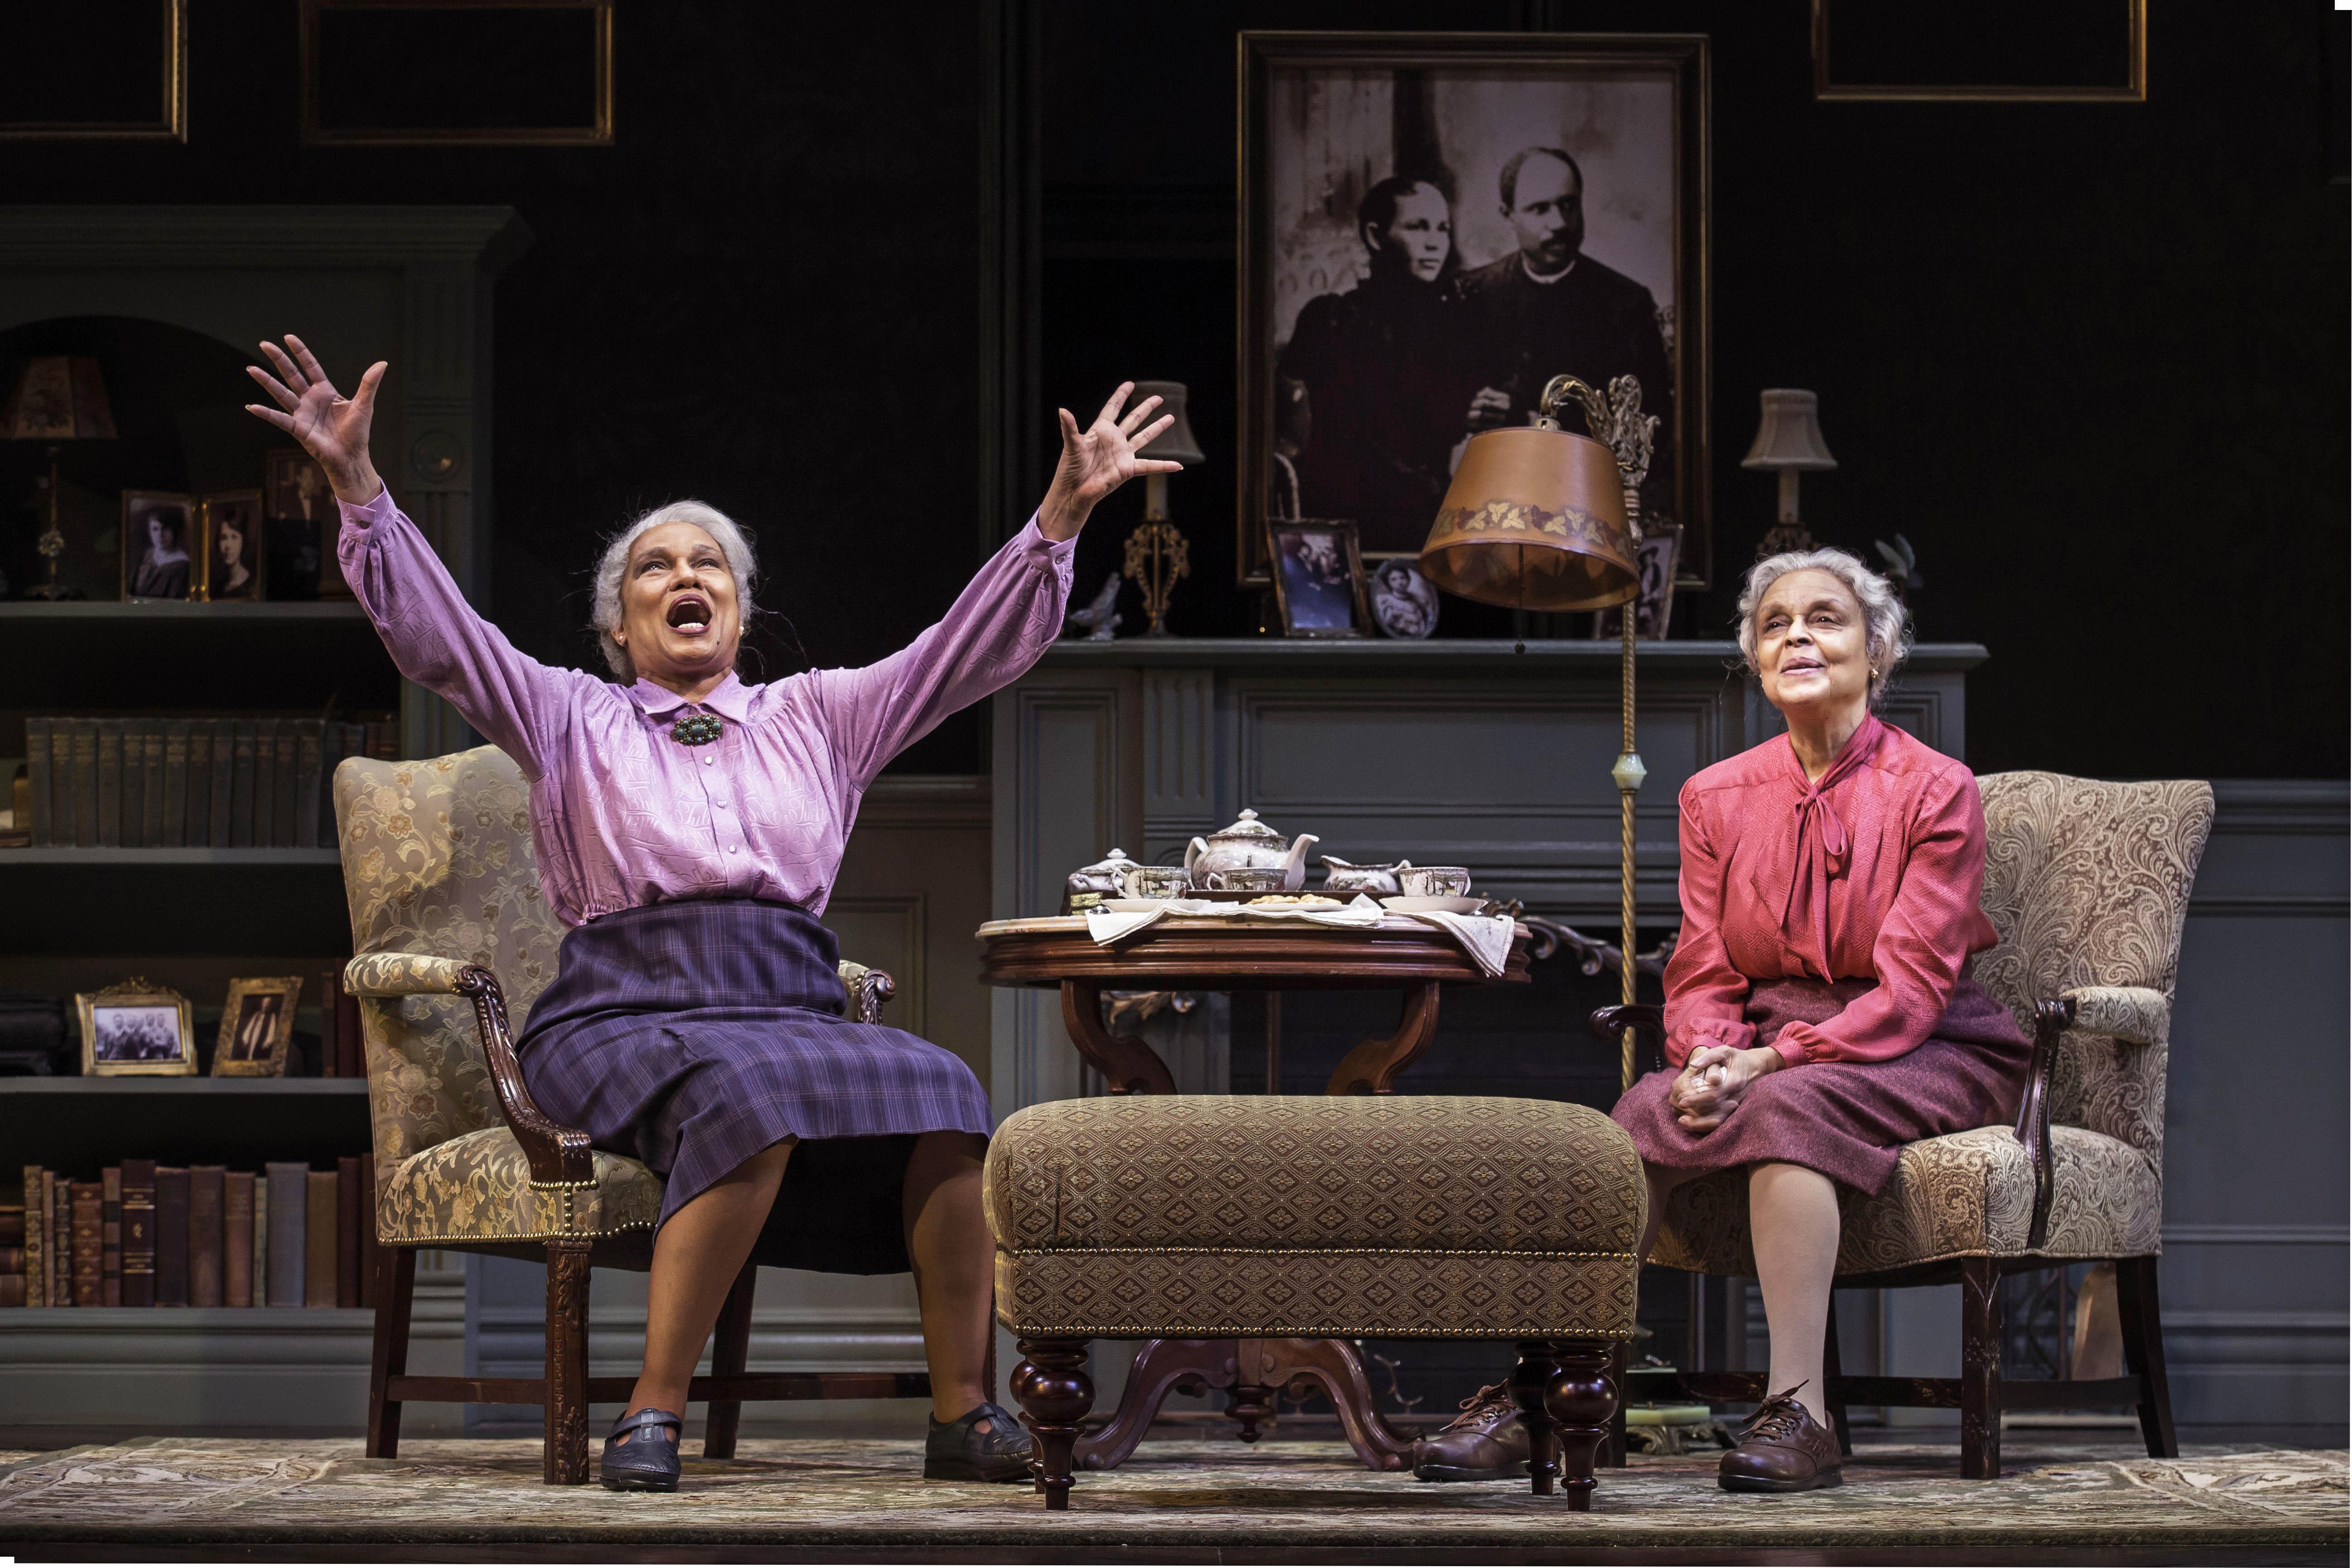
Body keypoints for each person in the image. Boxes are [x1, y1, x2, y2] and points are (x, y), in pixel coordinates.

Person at [242, 333, 1179, 1494]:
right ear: (620, 626)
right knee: (748, 1092)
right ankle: (650, 1411)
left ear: (737, 611)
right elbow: (443, 644)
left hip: (785, 1000)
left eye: (711, 568)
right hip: (612, 1015)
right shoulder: (566, 713)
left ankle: (960, 1413)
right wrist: (358, 489)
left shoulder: (820, 717)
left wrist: (1059, 519)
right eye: (654, 568)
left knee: (949, 1088)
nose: (686, 578)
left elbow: (959, 656)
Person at [1413, 548, 2029, 1494]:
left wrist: (1768, 1060)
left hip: (1923, 1039)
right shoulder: (1714, 795)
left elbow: (1911, 988)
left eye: (1826, 619)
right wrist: (1708, 1052)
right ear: (1754, 656)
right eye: (1776, 622)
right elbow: (1702, 963)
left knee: (1789, 1116)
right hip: (1759, 1038)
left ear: (1877, 650)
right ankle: (1548, 1386)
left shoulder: (1934, 788)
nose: (1798, 636)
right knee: (1631, 1125)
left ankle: (1799, 1410)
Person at [1451, 147, 1676, 520]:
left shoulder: (1626, 303)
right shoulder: (1472, 294)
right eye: (1540, 209)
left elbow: (1650, 430)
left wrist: (1525, 417)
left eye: (1569, 205)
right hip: (1490, 504)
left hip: (1586, 506)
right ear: (1508, 216)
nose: (1558, 222)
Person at [1276, 175, 1475, 552]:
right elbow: (1330, 439)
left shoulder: (1457, 327)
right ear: (1375, 236)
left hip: (1436, 528)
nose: (1435, 243)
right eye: (1418, 227)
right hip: (1357, 520)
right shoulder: (1333, 321)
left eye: (1443, 229)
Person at [129, 507, 192, 600]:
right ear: (150, 532)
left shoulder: (182, 565)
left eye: (165, 529)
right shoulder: (147, 556)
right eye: (155, 529)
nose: (160, 535)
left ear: (173, 531)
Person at [212, 507, 258, 599]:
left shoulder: (252, 587)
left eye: (234, 537)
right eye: (224, 538)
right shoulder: (219, 587)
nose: (228, 546)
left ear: (243, 542)